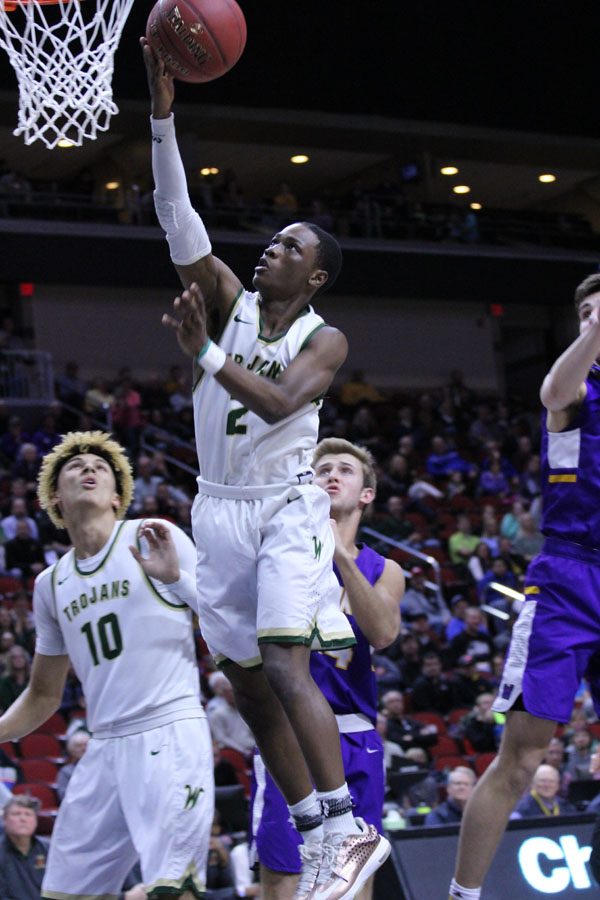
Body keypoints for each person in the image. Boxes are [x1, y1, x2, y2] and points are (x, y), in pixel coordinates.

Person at [142, 41, 390, 900]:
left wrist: (204, 353)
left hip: (286, 509)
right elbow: (178, 218)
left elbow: (286, 406)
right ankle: (322, 834)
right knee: (246, 687)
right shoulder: (224, 295)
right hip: (218, 510)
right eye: (272, 241)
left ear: (313, 274)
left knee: (287, 668)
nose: (268, 250)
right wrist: (162, 113)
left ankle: (354, 829)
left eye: (287, 246)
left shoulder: (324, 337)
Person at [0, 431, 213, 898]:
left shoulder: (151, 536)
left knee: (171, 890)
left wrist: (177, 581)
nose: (89, 468)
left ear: (118, 495)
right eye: (75, 467)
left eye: (101, 465)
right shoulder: (50, 584)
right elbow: (42, 695)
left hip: (168, 732)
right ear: (55, 495)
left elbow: (224, 622)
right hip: (103, 746)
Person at [449, 272, 600, 900]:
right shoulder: (578, 391)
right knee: (521, 759)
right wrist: (594, 330)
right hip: (569, 579)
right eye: (589, 311)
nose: (597, 318)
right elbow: (553, 388)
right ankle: (463, 895)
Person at [249, 438, 403, 900]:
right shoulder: (280, 557)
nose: (332, 475)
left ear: (367, 494)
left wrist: (341, 557)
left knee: (355, 880)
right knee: (284, 876)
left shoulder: (384, 568)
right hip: (290, 738)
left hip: (355, 735)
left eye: (345, 470)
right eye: (322, 469)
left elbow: (382, 634)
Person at [510, 764, 576, 819]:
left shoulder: (566, 807)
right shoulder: (520, 809)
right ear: (532, 784)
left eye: (551, 781)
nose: (547, 785)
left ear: (557, 785)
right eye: (542, 781)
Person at [55, 728, 90, 802]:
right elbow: (63, 795)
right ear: (72, 750)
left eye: (86, 745)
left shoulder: (99, 767)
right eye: (79, 746)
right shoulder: (66, 771)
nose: (83, 749)